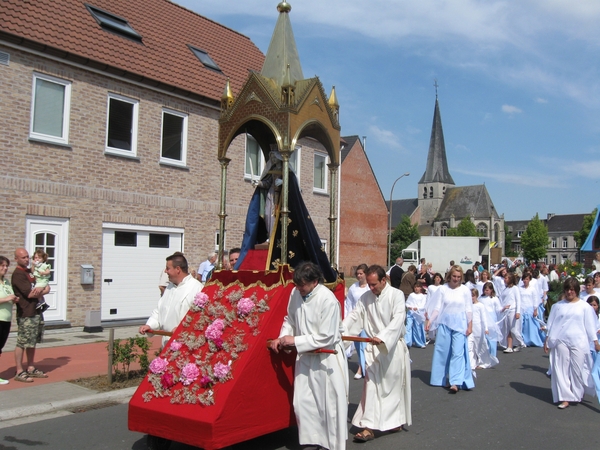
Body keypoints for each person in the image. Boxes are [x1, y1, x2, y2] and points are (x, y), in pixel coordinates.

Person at [269, 262, 348, 450]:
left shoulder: (327, 299)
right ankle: (312, 440)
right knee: (303, 401)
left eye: (302, 285)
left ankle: (331, 444)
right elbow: (290, 319)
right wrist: (282, 338)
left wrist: (295, 341)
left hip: (326, 358)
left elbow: (327, 335)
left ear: (314, 282)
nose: (299, 289)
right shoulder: (296, 293)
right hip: (305, 357)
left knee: (328, 403)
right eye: (297, 285)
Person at [343, 265, 411, 442]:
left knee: (392, 390)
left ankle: (393, 422)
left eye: (374, 284)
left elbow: (398, 320)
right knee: (371, 387)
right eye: (369, 284)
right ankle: (369, 427)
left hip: (392, 348)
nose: (371, 288)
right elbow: (355, 316)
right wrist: (340, 332)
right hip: (372, 351)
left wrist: (383, 337)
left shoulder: (396, 296)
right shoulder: (366, 297)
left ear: (384, 280)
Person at [544, 278, 600, 409]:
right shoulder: (557, 306)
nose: (570, 292)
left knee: (577, 369)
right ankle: (565, 397)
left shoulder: (585, 307)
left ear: (576, 291)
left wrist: (595, 342)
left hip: (579, 341)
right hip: (560, 340)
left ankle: (576, 393)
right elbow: (550, 324)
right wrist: (547, 340)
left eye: (572, 290)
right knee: (561, 369)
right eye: (567, 289)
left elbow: (590, 326)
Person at [426, 265, 474, 393]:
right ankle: (443, 378)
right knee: (443, 352)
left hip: (460, 324)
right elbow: (437, 307)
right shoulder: (442, 289)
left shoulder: (465, 290)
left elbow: (469, 309)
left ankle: (456, 381)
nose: (456, 279)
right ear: (449, 276)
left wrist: (470, 325)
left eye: (459, 277)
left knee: (457, 353)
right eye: (454, 276)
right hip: (445, 323)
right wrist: (430, 320)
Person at [140, 252, 204, 347]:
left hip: (185, 344)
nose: (165, 271)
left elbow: (201, 318)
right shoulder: (169, 287)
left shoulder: (197, 288)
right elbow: (159, 310)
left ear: (178, 269)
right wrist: (149, 325)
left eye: (168, 268)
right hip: (167, 343)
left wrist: (182, 329)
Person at [12, 248, 50, 383]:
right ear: (16, 259)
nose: (27, 260)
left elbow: (46, 286)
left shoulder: (30, 272)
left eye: (28, 257)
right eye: (23, 258)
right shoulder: (18, 274)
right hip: (26, 313)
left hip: (36, 311)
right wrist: (43, 291)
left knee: (32, 342)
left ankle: (31, 367)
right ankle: (19, 371)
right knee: (22, 342)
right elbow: (30, 294)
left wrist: (43, 290)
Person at [344, 264, 369, 379]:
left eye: (361, 273)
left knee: (364, 344)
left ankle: (361, 368)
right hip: (354, 318)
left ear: (366, 274)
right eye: (357, 273)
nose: (359, 276)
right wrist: (347, 317)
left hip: (366, 319)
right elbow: (349, 303)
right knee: (358, 344)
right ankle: (362, 364)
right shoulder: (353, 287)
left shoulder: (369, 287)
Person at [468, 288, 498, 370]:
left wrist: (486, 328)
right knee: (470, 346)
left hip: (478, 328)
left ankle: (485, 362)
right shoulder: (468, 306)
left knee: (480, 346)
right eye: (470, 296)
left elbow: (484, 318)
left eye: (473, 296)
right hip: (470, 328)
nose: (471, 298)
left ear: (476, 296)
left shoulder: (480, 305)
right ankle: (471, 363)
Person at [0, 256, 18, 385]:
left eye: (6, 266)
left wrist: (13, 299)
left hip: (6, 319)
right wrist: (7, 299)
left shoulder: (6, 282)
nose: (5, 268)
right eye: (2, 266)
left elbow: (9, 296)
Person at [500, 272, 525, 353]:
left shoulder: (515, 288)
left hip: (512, 311)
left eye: (506, 278)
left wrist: (518, 312)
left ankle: (521, 342)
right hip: (505, 312)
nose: (504, 279)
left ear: (510, 279)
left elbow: (518, 300)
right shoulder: (505, 289)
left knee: (513, 329)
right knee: (507, 330)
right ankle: (510, 346)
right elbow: (502, 300)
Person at [519, 273, 545, 347]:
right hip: (522, 308)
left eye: (527, 279)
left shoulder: (532, 289)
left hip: (529, 308)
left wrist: (535, 310)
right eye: (524, 279)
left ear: (529, 280)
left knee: (530, 326)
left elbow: (535, 299)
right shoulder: (520, 288)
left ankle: (532, 339)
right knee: (522, 325)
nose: (525, 281)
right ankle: (523, 339)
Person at [478, 282, 503, 358]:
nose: (486, 291)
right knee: (484, 337)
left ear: (491, 290)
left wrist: (504, 309)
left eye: (487, 290)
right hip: (484, 317)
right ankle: (485, 355)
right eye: (485, 290)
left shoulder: (494, 299)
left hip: (492, 318)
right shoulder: (481, 298)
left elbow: (498, 309)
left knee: (492, 337)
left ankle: (492, 355)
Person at [405, 281, 427, 348]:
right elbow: (407, 303)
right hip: (411, 313)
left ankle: (419, 343)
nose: (416, 288)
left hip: (418, 314)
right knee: (408, 327)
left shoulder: (423, 296)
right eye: (415, 287)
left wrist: (417, 308)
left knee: (417, 329)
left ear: (420, 288)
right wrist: (409, 306)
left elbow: (423, 305)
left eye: (418, 287)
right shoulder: (411, 295)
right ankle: (407, 342)